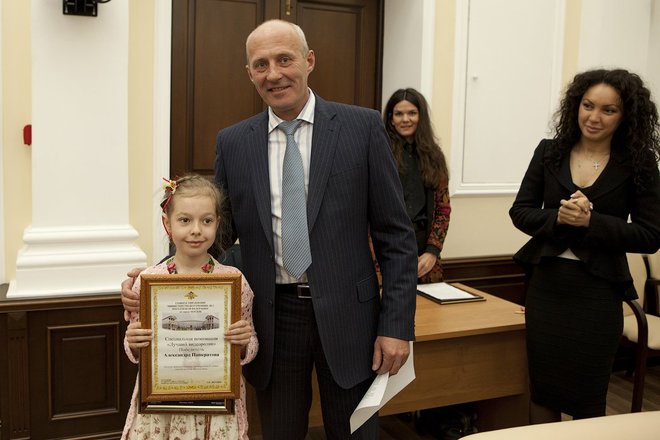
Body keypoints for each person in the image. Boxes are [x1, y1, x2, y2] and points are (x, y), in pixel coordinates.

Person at [122, 19, 418, 439]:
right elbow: (213, 234)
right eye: (261, 64)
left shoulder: (362, 128)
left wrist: (396, 326)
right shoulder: (233, 143)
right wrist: (158, 280)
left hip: (352, 321)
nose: (274, 74)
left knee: (355, 434)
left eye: (284, 59)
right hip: (272, 320)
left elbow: (396, 238)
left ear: (309, 61)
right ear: (250, 74)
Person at [509, 68, 660, 423]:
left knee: (588, 398)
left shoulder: (638, 163)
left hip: (598, 293)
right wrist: (558, 218)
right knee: (542, 390)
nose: (594, 117)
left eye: (609, 110)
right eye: (588, 105)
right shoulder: (549, 152)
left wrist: (592, 222)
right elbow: (520, 212)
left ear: (625, 116)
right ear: (576, 105)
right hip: (547, 288)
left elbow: (650, 235)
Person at [121, 175, 258, 439]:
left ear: (218, 223)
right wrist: (133, 342)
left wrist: (243, 342)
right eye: (185, 220)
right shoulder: (148, 282)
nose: (196, 230)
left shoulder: (234, 282)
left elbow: (250, 343)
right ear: (167, 224)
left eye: (206, 221)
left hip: (216, 402)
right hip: (162, 403)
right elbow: (134, 345)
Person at [383, 88, 451, 283]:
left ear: (421, 116)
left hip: (424, 253)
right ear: (391, 119)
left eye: (412, 113)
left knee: (427, 303)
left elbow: (443, 209)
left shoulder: (434, 156)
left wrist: (432, 252)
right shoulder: (380, 153)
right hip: (386, 250)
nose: (405, 119)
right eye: (399, 114)